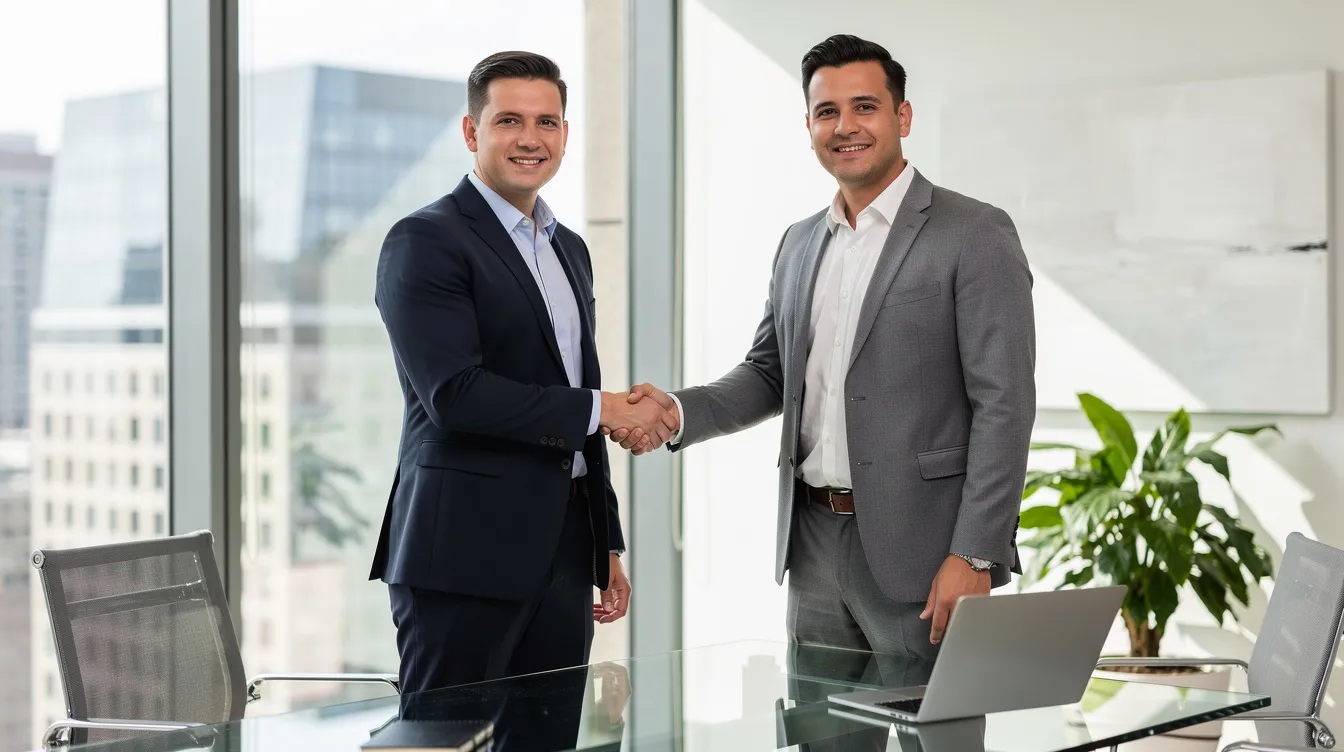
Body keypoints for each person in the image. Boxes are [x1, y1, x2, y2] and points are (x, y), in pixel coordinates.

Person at [612, 34, 1035, 659]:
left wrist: (975, 552)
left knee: (926, 718)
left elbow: (1005, 405)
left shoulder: (973, 232)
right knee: (815, 717)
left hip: (926, 550)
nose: (845, 126)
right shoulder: (799, 242)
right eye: (827, 111)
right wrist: (674, 412)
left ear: (903, 117)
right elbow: (768, 374)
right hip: (810, 546)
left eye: (865, 107)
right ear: (809, 126)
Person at [370, 50, 678, 694]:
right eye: (509, 120)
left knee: (552, 733)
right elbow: (455, 395)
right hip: (463, 554)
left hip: (565, 550)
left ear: (565, 134)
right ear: (471, 131)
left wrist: (604, 542)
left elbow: (573, 391)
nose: (531, 139)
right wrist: (606, 407)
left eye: (547, 122)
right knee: (445, 736)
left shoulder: (570, 249)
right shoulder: (425, 239)